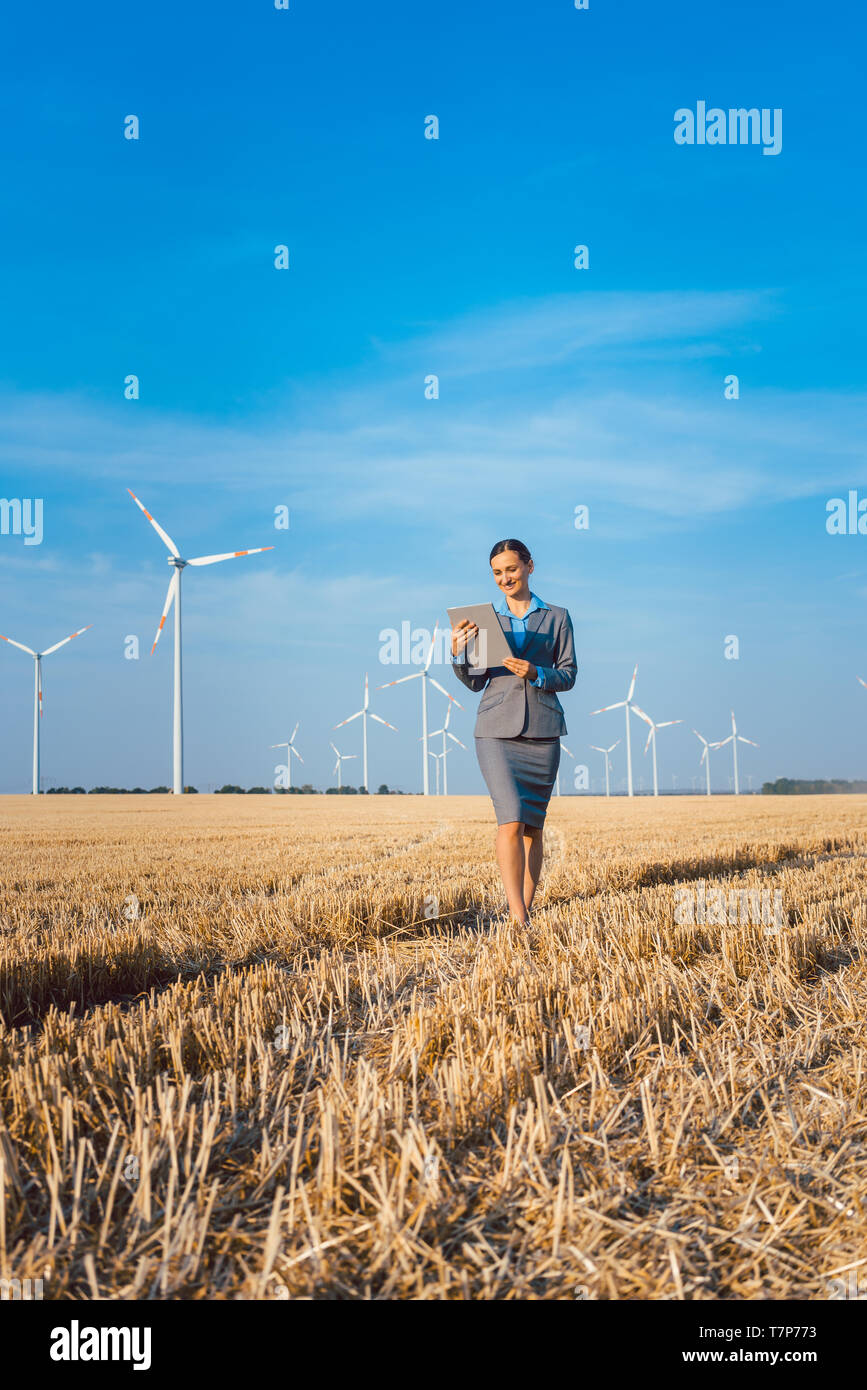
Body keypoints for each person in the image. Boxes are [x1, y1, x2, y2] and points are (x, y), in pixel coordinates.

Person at [450, 539, 576, 926]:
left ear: (529, 566)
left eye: (512, 569)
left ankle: (527, 903)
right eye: (497, 573)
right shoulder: (484, 621)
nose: (505, 578)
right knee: (510, 820)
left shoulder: (557, 617)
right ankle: (518, 915)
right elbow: (474, 681)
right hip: (495, 730)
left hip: (542, 730)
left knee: (533, 827)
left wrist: (536, 672)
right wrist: (459, 652)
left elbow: (568, 674)